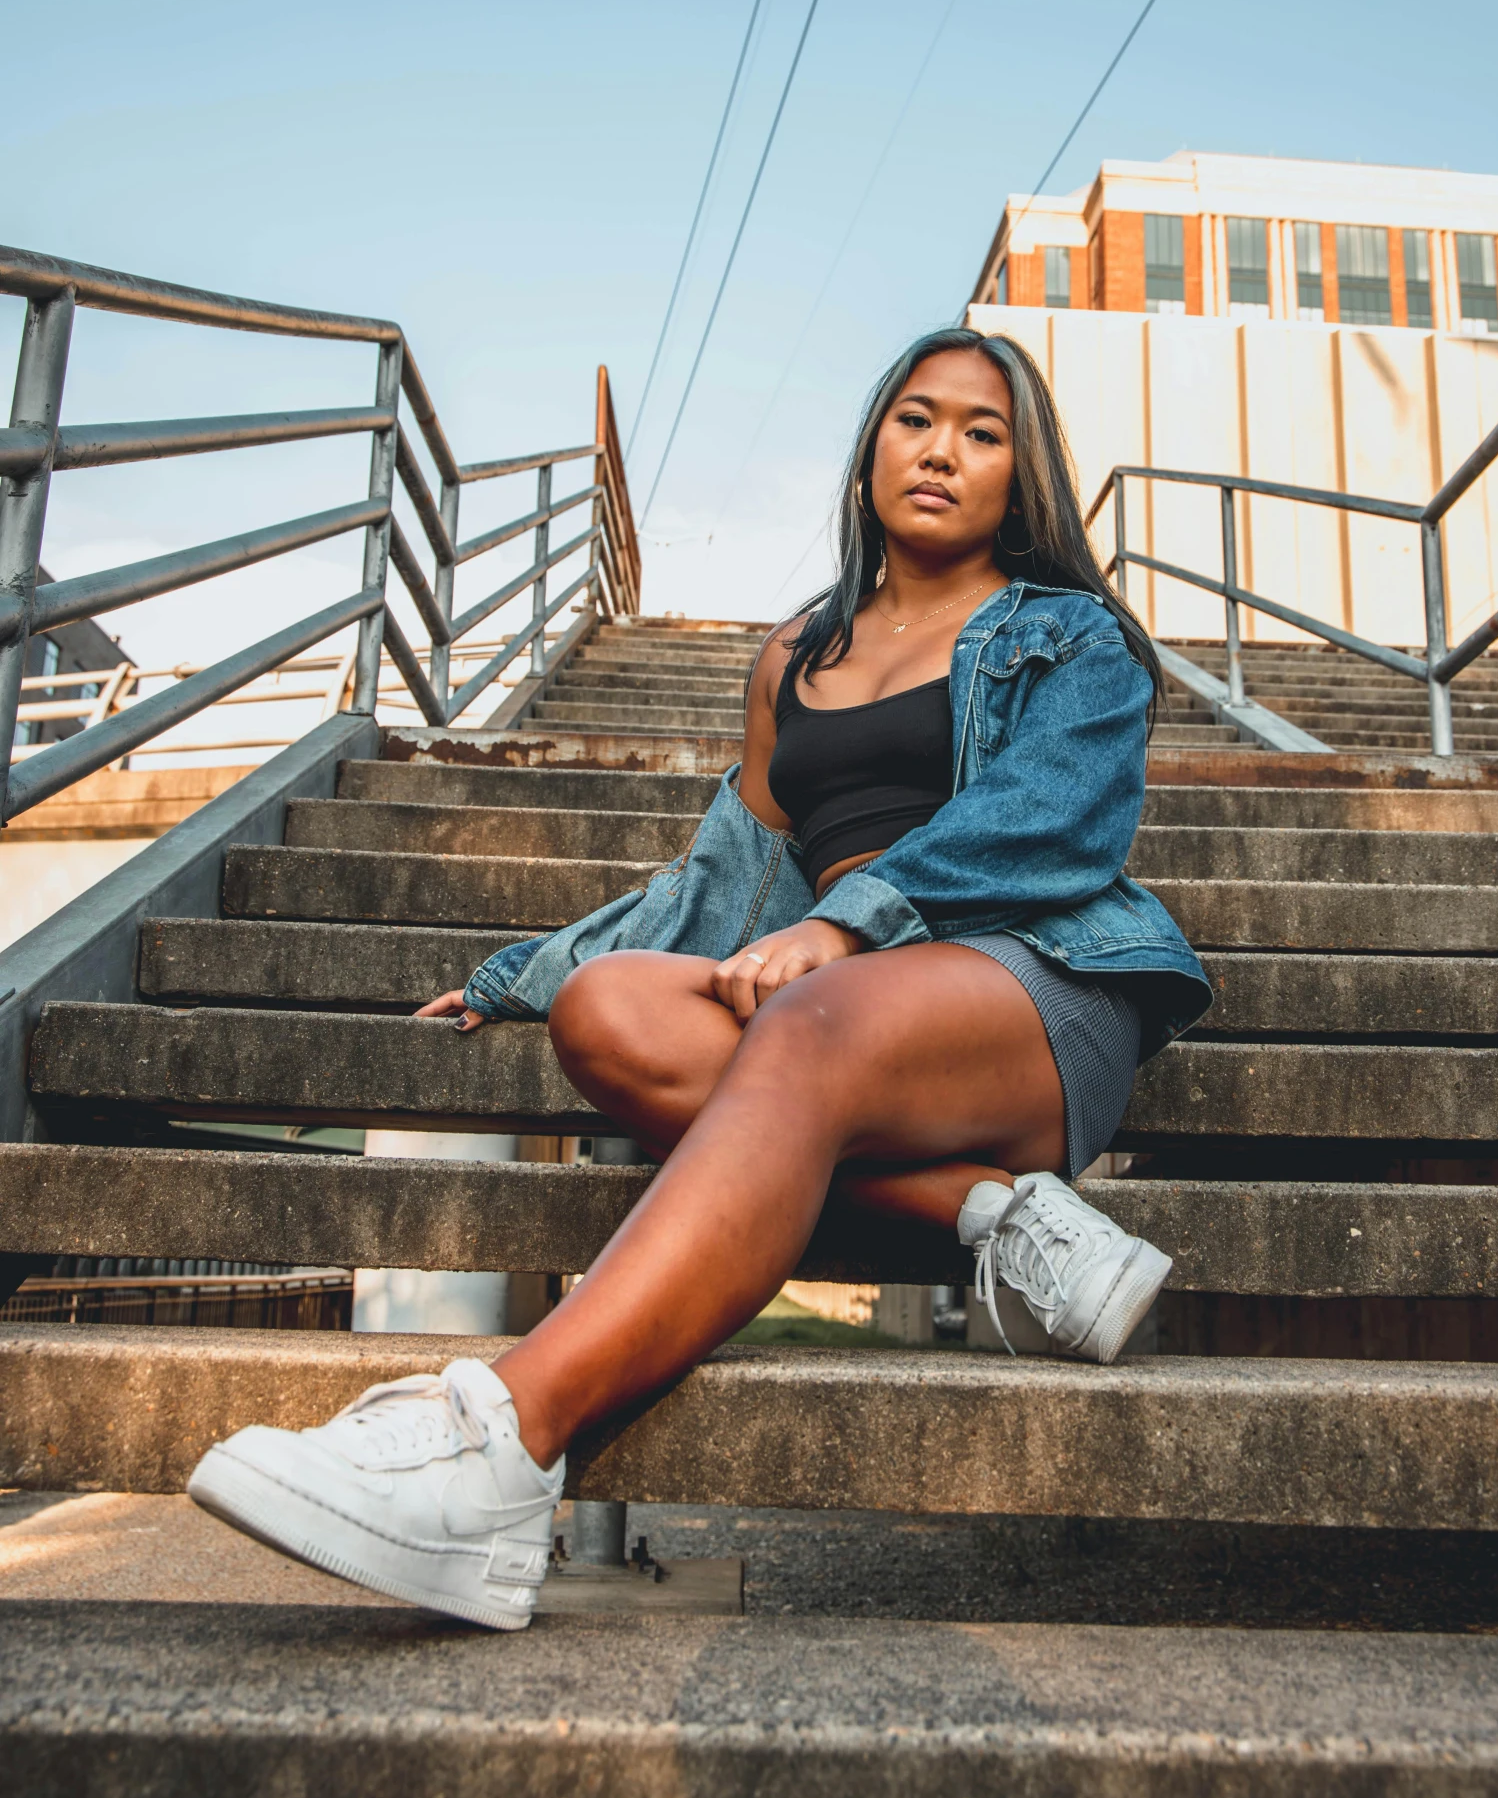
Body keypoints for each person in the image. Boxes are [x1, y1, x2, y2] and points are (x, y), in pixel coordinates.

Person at [188, 328, 1211, 1629]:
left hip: (1031, 983)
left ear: (1025, 475)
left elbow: (1050, 819)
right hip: (835, 1008)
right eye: (914, 416)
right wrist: (519, 972)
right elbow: (722, 878)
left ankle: (502, 1441)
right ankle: (990, 1218)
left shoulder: (1069, 637)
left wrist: (853, 922)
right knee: (606, 1011)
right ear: (871, 446)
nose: (941, 448)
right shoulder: (796, 655)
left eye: (982, 429)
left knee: (813, 1017)